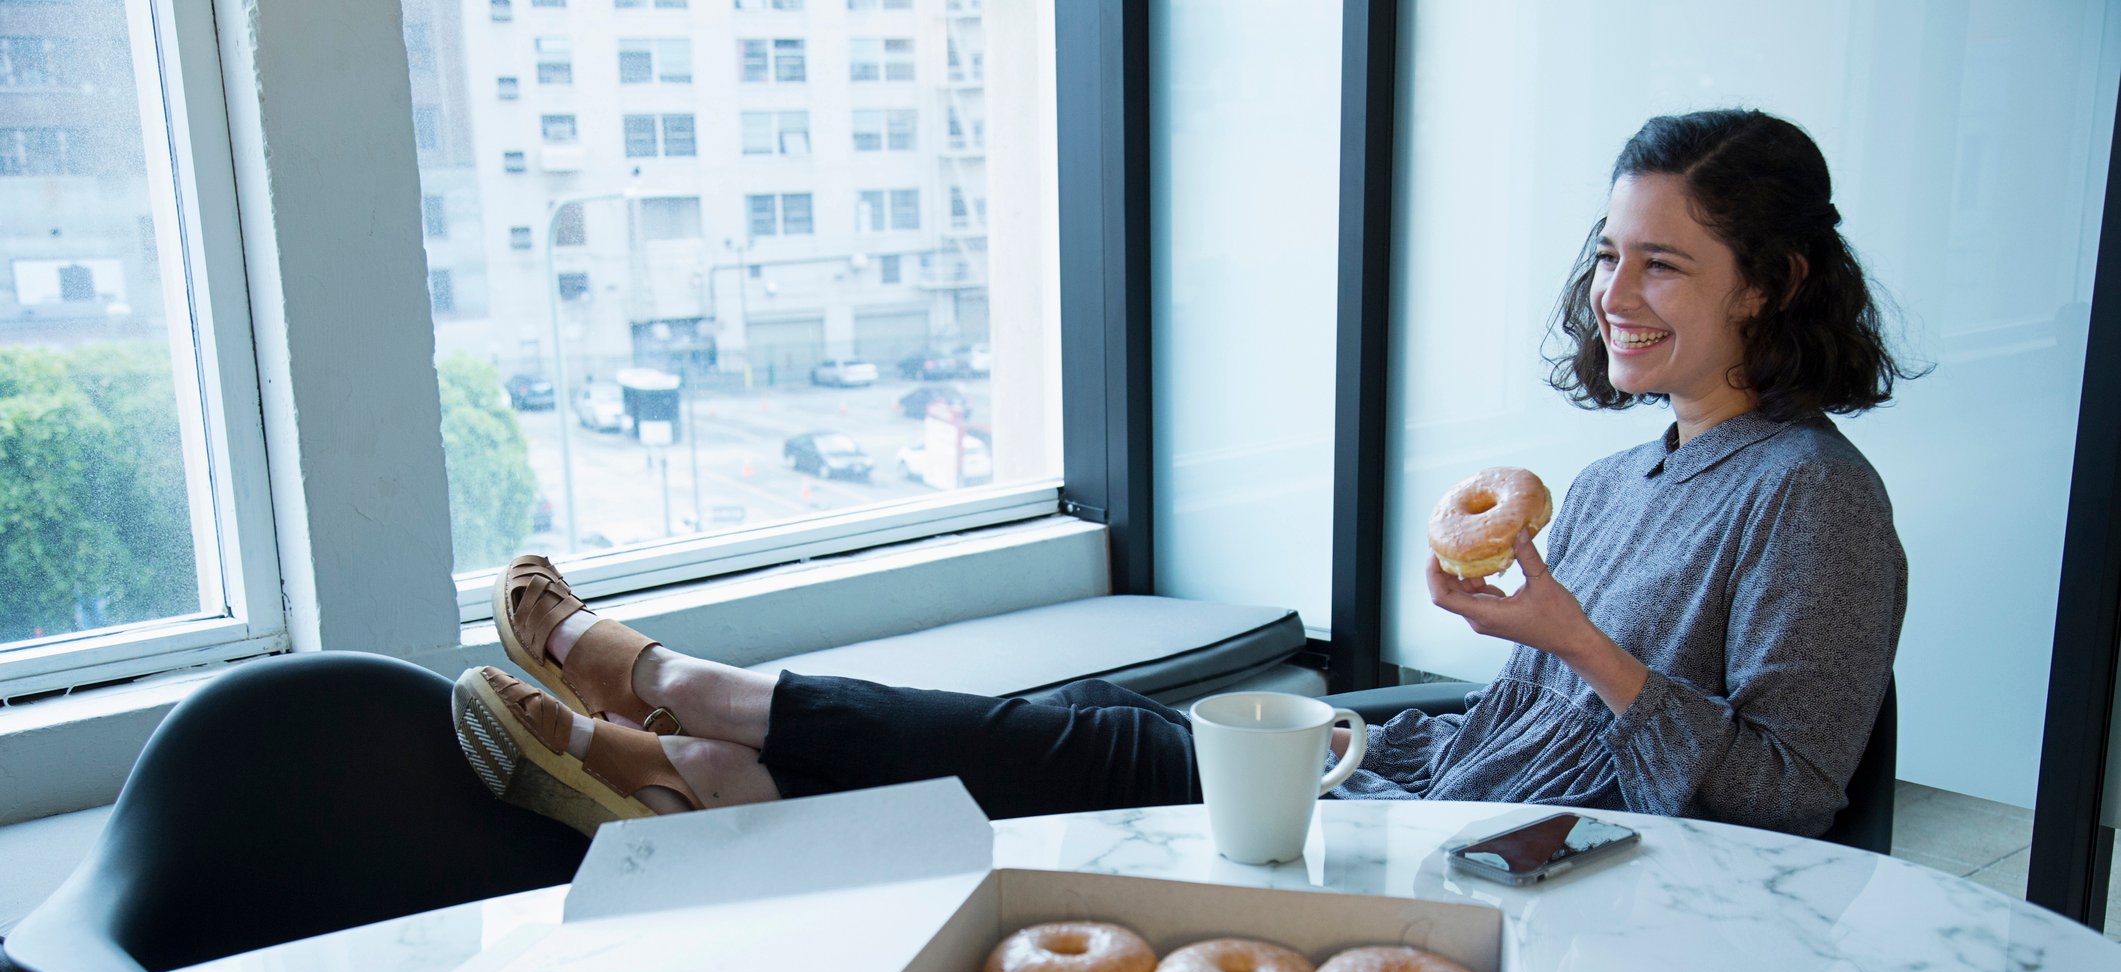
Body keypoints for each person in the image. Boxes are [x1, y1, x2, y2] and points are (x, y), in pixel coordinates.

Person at [456, 109, 1912, 843]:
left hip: (1507, 869)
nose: (1614, 294)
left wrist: (1570, 643)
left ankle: (689, 707)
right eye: (1608, 253)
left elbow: (1784, 804)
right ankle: (697, 778)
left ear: (1773, 285)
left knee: (1085, 758)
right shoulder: (1616, 477)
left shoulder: (1812, 500)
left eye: (1663, 263)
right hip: (1420, 796)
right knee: (1085, 718)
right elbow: (1527, 720)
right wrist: (1459, 678)